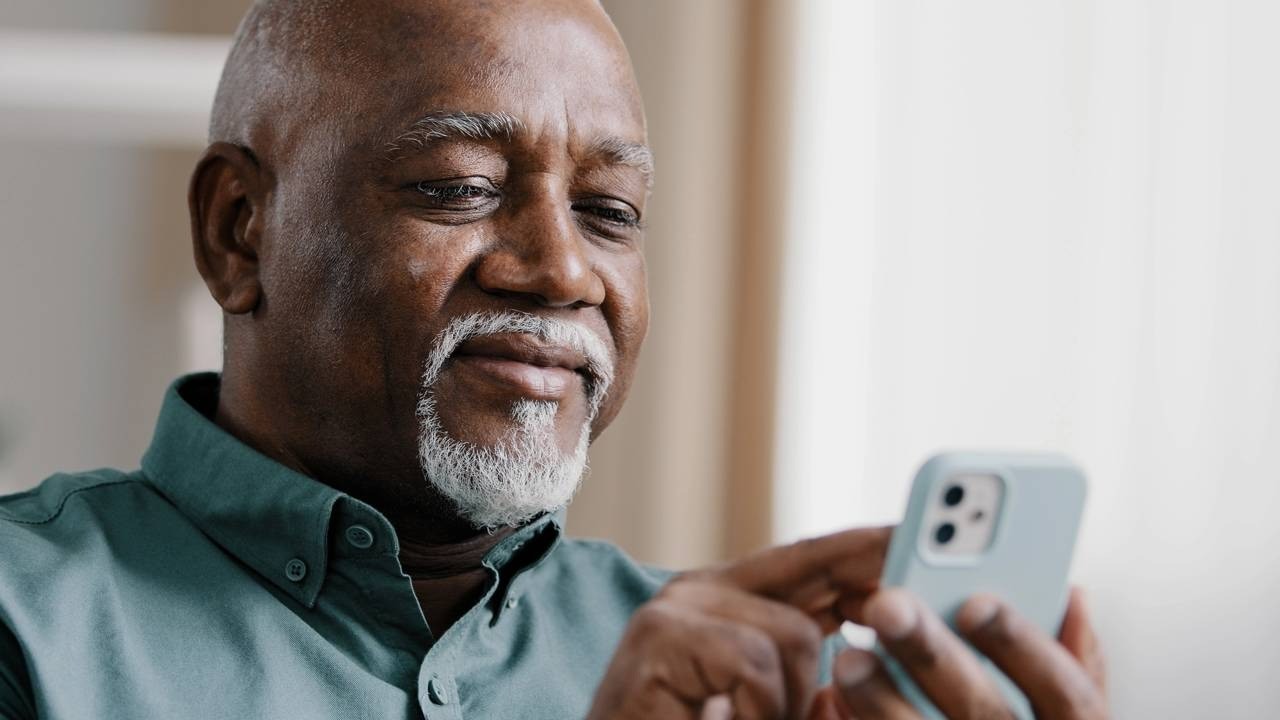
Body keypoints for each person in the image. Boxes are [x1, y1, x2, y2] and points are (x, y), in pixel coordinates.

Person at [0, 1, 1108, 718]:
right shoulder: (24, 625)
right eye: (459, 187)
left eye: (610, 209)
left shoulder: (758, 679)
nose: (560, 268)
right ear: (240, 231)